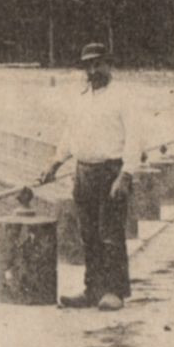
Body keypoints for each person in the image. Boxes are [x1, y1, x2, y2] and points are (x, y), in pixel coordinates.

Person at [39, 43, 133, 311]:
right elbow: (70, 135)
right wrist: (55, 163)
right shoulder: (80, 99)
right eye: (88, 65)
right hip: (84, 172)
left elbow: (135, 138)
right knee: (88, 235)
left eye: (98, 63)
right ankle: (92, 290)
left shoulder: (122, 97)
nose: (93, 70)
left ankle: (115, 291)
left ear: (108, 64)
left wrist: (125, 175)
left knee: (110, 234)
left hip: (111, 171)